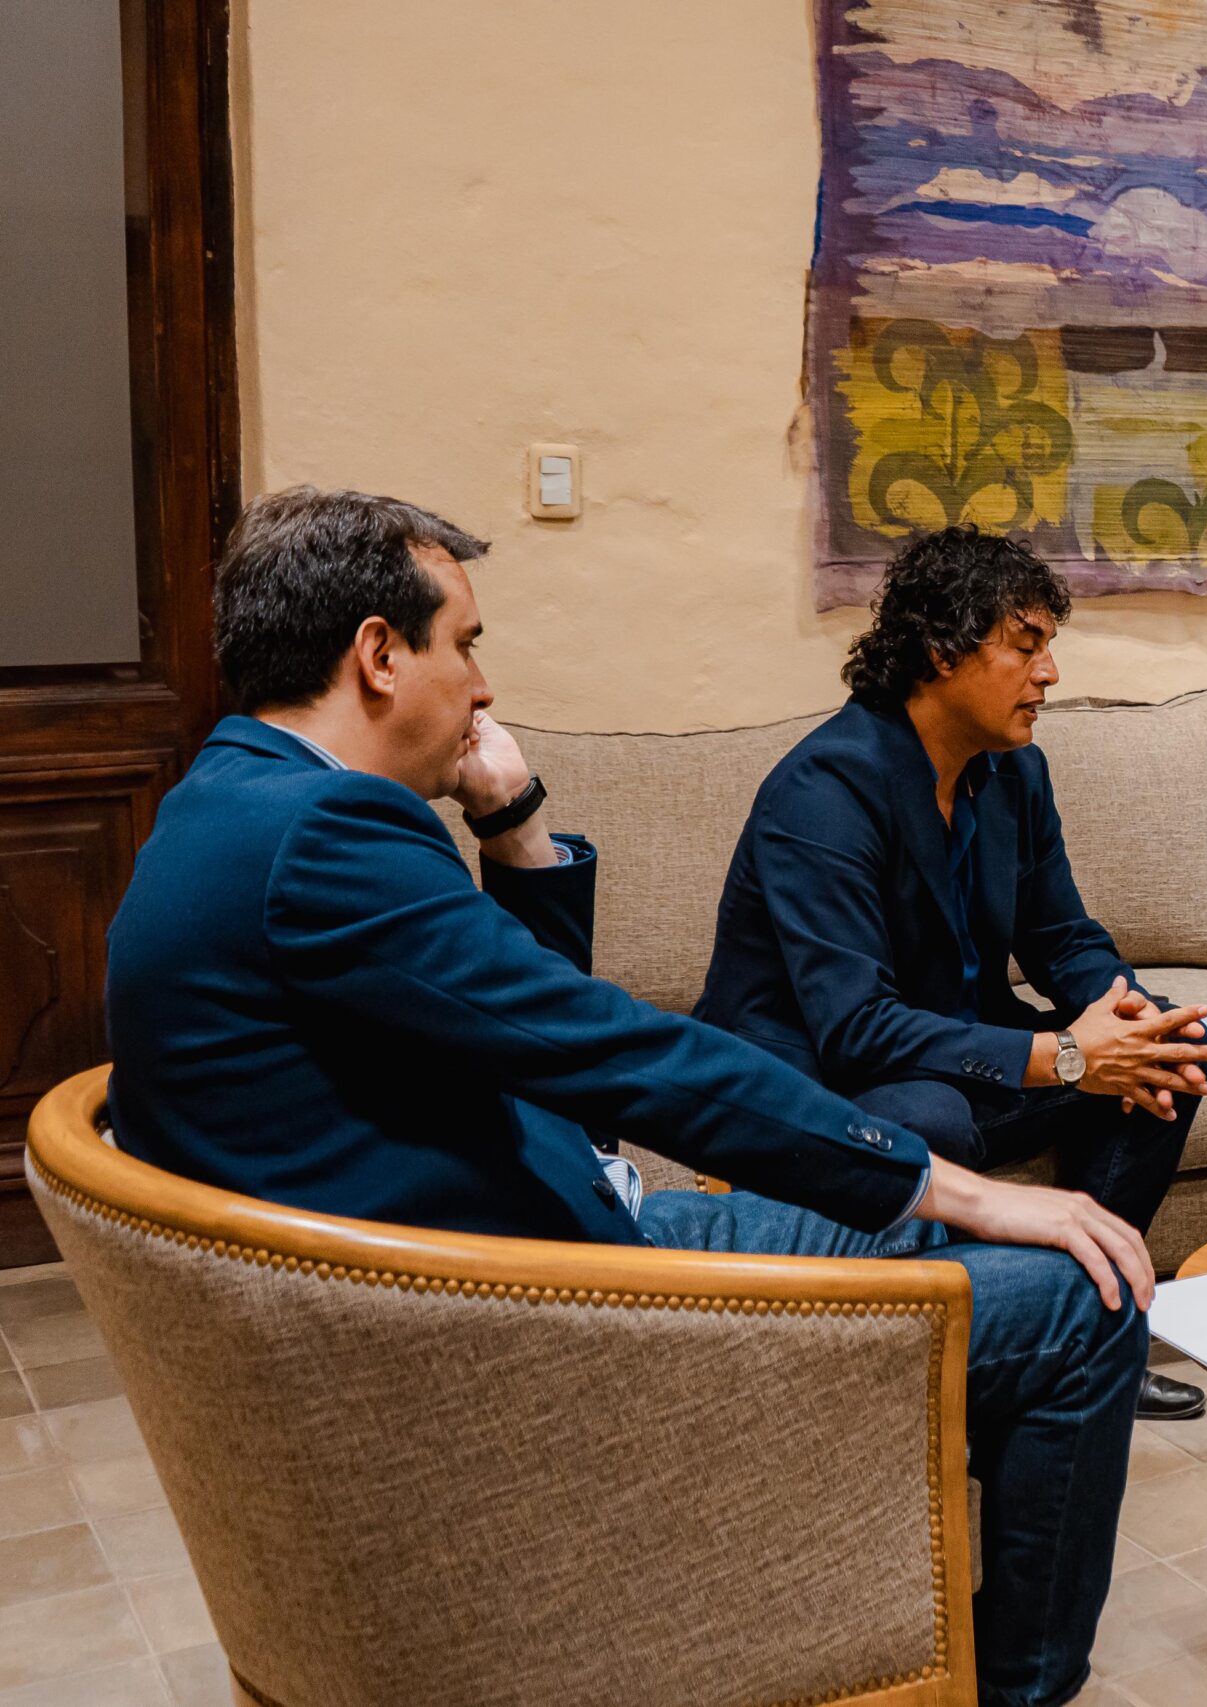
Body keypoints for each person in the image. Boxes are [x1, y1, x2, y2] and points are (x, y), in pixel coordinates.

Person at [105, 488, 1147, 1707]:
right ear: (380, 656)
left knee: (950, 1234)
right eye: (465, 645)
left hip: (548, 1234)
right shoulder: (327, 835)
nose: (483, 687)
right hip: (560, 1315)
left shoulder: (231, 800)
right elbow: (618, 1052)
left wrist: (514, 830)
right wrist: (958, 1189)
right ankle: (1014, 1692)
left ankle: (898, 1580)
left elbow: (525, 1032)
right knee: (1081, 1300)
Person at [695, 525, 1207, 1422]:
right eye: (1026, 645)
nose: (1050, 673)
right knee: (928, 1116)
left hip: (954, 1049)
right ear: (943, 651)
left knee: (1173, 1050)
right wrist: (1065, 1056)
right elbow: (855, 1027)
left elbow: (1063, 936)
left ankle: (1082, 1333)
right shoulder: (823, 792)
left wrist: (1127, 1015)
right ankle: (955, 1370)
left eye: (1048, 645)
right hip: (819, 1076)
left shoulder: (1014, 772)